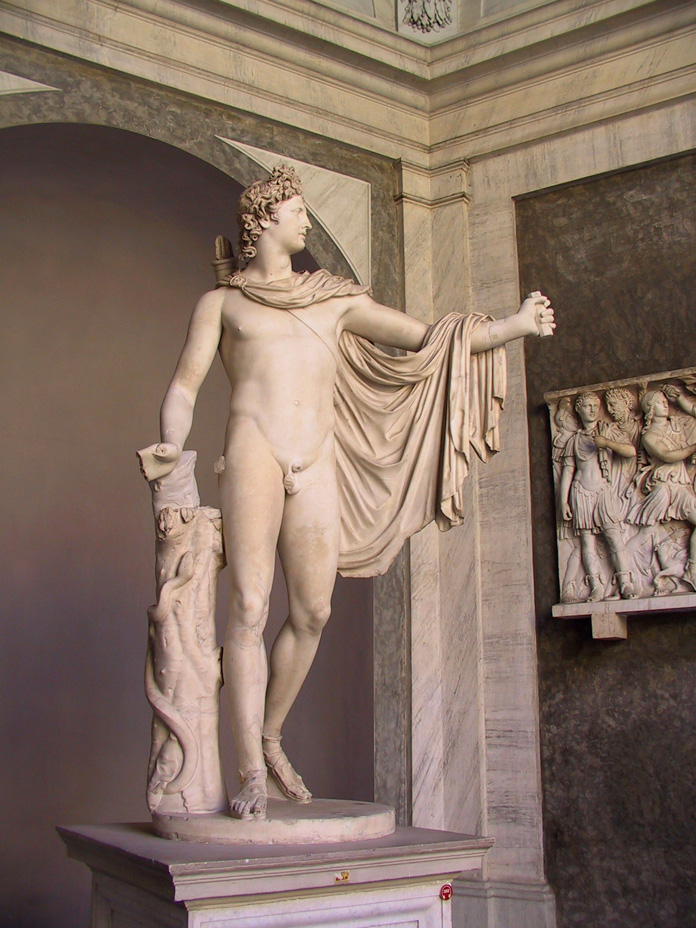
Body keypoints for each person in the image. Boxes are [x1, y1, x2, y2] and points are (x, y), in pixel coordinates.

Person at [138, 165, 555, 820]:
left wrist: (511, 326)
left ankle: (270, 735)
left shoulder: (335, 301)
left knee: (313, 612)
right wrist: (172, 445)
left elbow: (428, 338)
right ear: (265, 222)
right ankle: (248, 769)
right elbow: (187, 384)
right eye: (297, 212)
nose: (306, 221)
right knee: (247, 606)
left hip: (316, 460)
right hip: (253, 453)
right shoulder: (221, 304)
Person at [559, 392, 637, 601]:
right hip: (581, 493)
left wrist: (607, 443)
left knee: (614, 537)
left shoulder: (607, 431)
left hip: (602, 491)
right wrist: (563, 501)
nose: (592, 409)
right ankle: (596, 586)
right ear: (579, 410)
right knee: (587, 543)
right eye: (587, 406)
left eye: (595, 405)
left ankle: (626, 583)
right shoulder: (574, 441)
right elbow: (568, 471)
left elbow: (630, 451)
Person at [628, 387, 696, 589]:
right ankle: (624, 567)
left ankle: (692, 572)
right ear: (649, 408)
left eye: (666, 401)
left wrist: (682, 400)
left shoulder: (676, 425)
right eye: (659, 401)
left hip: (680, 486)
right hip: (664, 488)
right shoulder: (649, 436)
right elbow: (668, 456)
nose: (665, 403)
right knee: (646, 531)